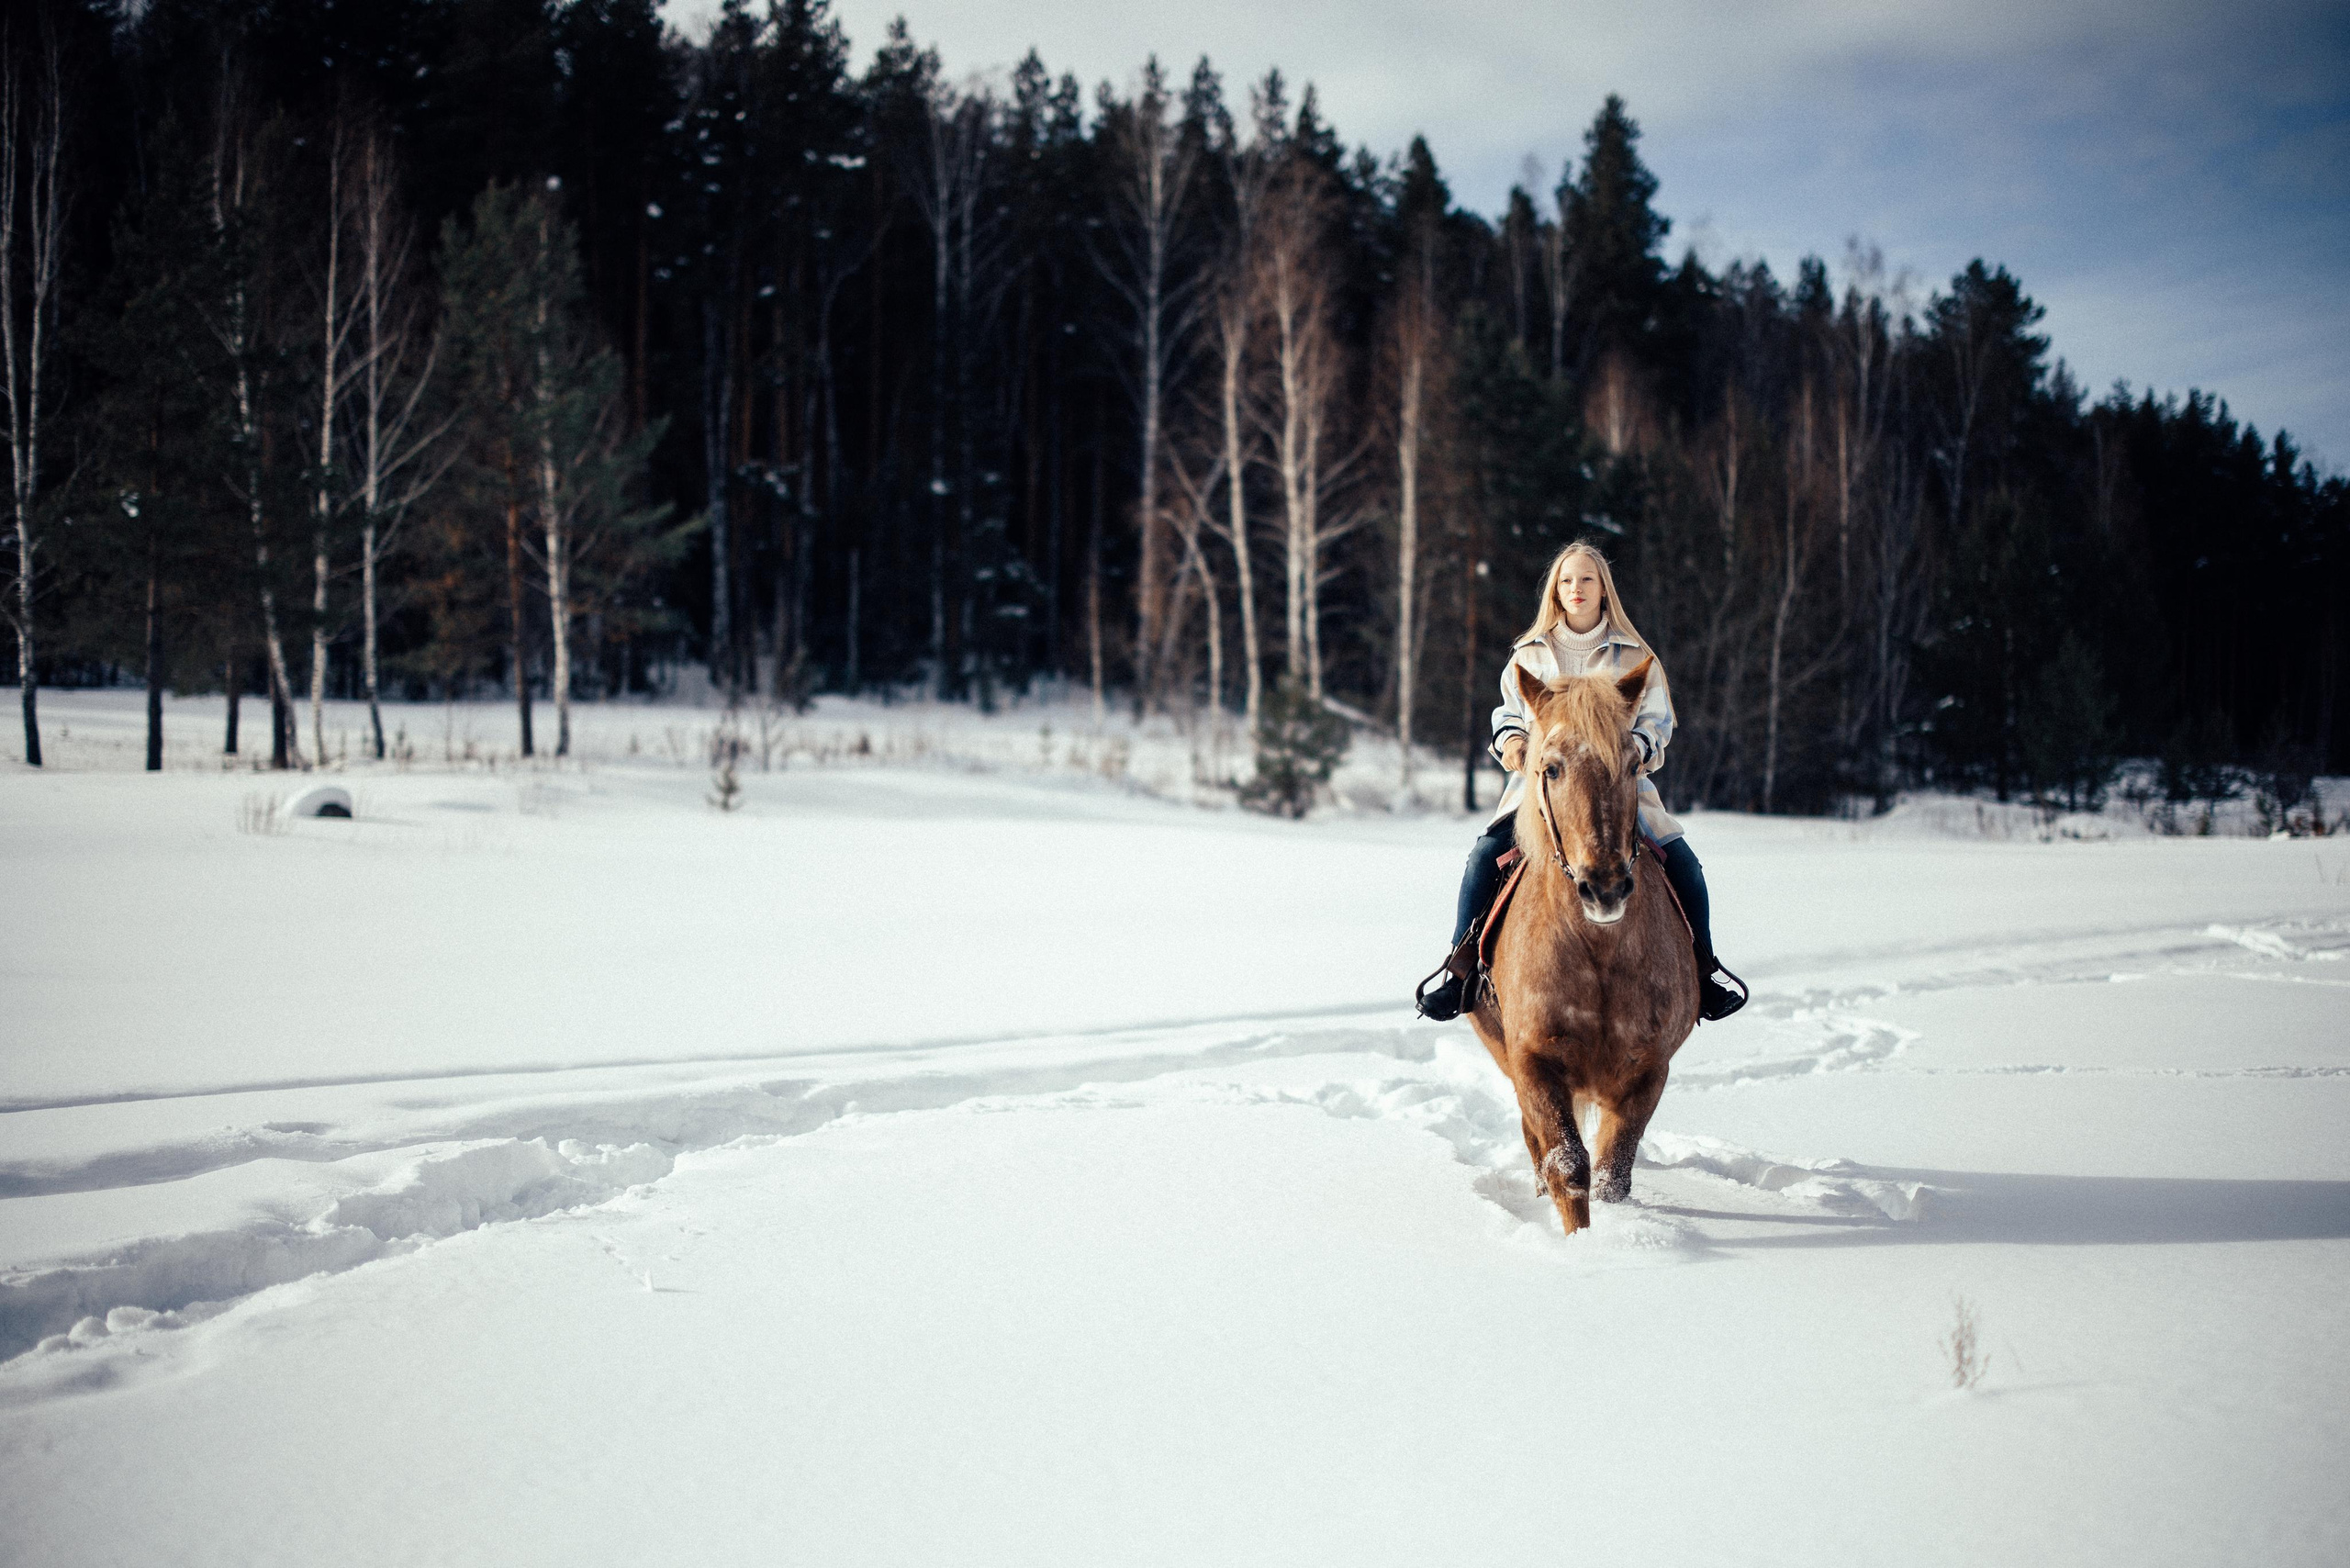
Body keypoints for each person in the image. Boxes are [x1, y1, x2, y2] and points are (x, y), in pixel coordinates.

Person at [1416, 541, 1746, 1024]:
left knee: (1686, 866)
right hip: (1544, 791)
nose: (1577, 588)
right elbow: (1509, 714)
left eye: (1587, 579)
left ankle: (1703, 973)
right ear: (1555, 591)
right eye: (1567, 580)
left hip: (1619, 788)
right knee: (1485, 856)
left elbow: (1657, 721)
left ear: (1603, 590)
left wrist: (1638, 748)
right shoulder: (1529, 655)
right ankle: (1460, 971)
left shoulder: (1636, 657)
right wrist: (1513, 744)